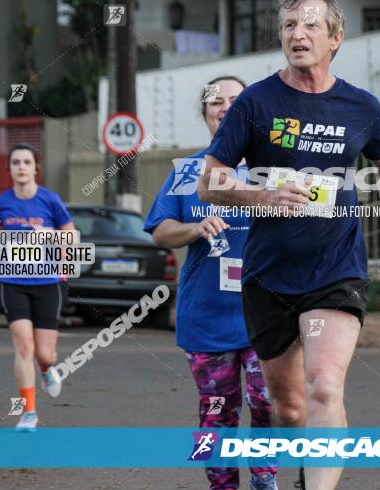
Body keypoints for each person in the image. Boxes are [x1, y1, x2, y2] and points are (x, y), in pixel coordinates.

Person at [198, 0, 380, 490]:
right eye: (290, 25)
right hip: (270, 275)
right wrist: (261, 197)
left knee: (324, 386)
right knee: (290, 406)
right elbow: (210, 181)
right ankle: (300, 469)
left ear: (335, 37)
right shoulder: (255, 104)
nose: (298, 34)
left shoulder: (361, 107)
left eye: (311, 25)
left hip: (335, 270)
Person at [145, 76, 278, 490]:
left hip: (267, 314)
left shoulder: (271, 170)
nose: (224, 107)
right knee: (217, 412)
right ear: (205, 115)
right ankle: (223, 486)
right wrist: (194, 226)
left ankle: (264, 479)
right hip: (206, 316)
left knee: (268, 402)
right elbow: (160, 232)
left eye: (235, 101)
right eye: (214, 102)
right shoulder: (187, 172)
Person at [0, 143, 74, 431]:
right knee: (24, 346)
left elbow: (70, 238)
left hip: (47, 283)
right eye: (16, 162)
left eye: (26, 162)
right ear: (9, 169)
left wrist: (49, 234)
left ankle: (47, 370)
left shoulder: (50, 201)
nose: (21, 167)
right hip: (13, 282)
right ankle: (29, 413)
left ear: (36, 168)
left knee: (45, 354)